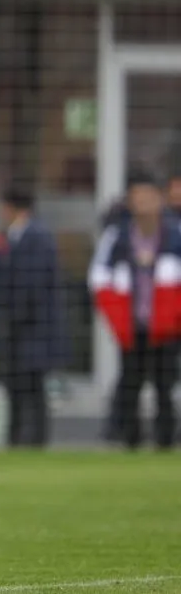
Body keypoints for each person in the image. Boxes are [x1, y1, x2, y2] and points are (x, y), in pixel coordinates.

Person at [89, 171, 181, 450]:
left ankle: (165, 440)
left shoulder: (174, 234)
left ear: (159, 200)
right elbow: (100, 276)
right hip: (133, 324)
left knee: (165, 384)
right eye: (137, 197)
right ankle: (131, 440)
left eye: (148, 197)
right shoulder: (118, 237)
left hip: (166, 326)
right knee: (131, 383)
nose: (143, 203)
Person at [0, 186, 67, 448]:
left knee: (32, 388)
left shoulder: (35, 236)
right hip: (24, 330)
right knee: (19, 387)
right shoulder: (20, 235)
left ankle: (33, 440)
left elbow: (31, 285)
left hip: (32, 329)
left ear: (10, 207)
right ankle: (18, 439)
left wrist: (12, 318)